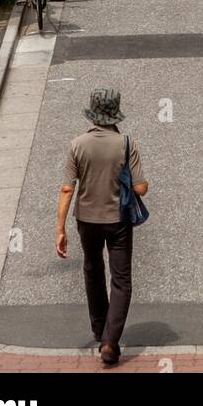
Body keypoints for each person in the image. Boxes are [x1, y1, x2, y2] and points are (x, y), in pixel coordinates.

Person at [56, 89, 148, 368]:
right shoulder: (126, 143)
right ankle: (111, 340)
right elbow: (140, 187)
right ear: (115, 112)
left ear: (92, 112)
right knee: (121, 279)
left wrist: (60, 229)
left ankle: (99, 328)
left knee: (93, 269)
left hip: (87, 220)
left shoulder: (77, 144)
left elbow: (66, 188)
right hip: (118, 221)